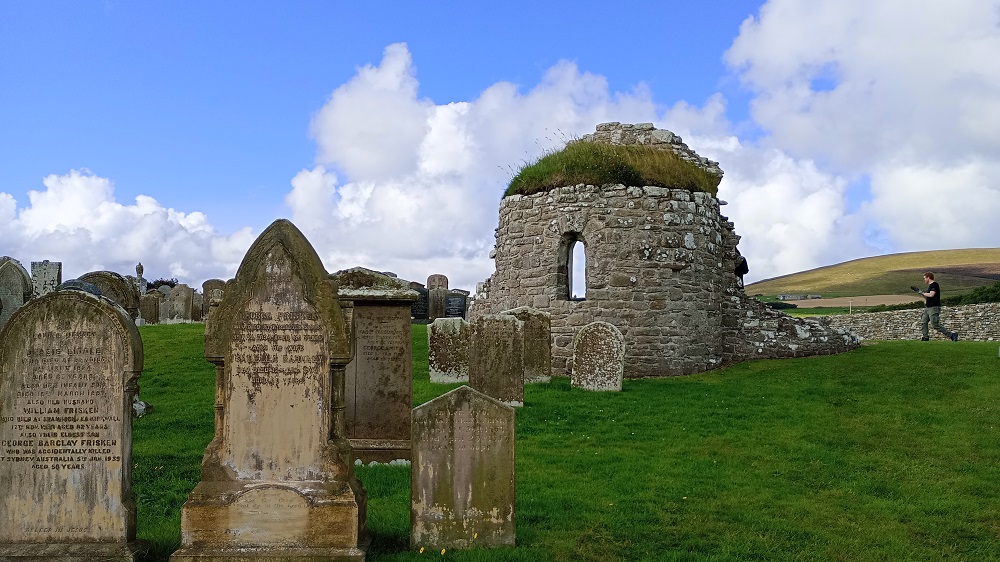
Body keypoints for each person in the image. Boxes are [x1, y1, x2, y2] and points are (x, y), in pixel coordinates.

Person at [912, 272, 958, 341]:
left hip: (934, 308)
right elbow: (928, 297)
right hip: (928, 308)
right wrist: (920, 292)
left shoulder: (934, 285)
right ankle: (925, 337)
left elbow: (931, 295)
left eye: (924, 278)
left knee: (935, 324)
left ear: (928, 277)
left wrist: (922, 292)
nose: (924, 280)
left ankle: (951, 335)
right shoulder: (930, 286)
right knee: (923, 322)